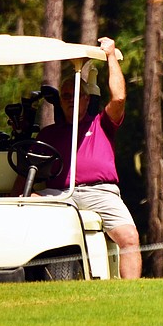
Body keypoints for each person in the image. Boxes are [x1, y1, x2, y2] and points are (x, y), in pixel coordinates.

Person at [32, 37, 142, 279]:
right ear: (59, 101)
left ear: (86, 99)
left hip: (99, 193)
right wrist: (17, 197)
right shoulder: (48, 134)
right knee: (24, 205)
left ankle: (131, 295)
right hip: (60, 194)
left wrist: (111, 56)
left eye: (76, 95)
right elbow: (29, 171)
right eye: (66, 96)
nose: (71, 100)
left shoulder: (102, 123)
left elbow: (120, 98)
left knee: (130, 238)